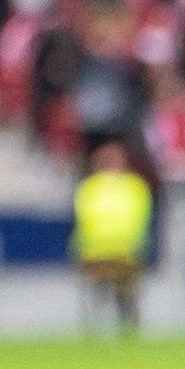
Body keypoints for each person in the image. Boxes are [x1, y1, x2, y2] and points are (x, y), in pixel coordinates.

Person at [75, 135, 151, 337]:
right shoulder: (90, 187)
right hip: (97, 253)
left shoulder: (134, 186)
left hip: (125, 253)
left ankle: (128, 331)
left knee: (126, 296)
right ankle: (96, 333)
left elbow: (139, 217)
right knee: (98, 297)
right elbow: (85, 220)